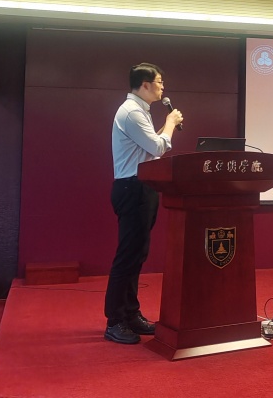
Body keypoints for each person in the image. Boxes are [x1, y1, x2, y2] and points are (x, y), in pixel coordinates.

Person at [103, 63, 183, 344]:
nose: (163, 87)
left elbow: (151, 150)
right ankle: (114, 321)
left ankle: (130, 314)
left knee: (137, 255)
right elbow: (159, 147)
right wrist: (170, 124)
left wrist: (164, 128)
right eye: (159, 82)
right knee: (127, 256)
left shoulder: (141, 111)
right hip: (132, 188)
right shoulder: (132, 112)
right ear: (145, 85)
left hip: (141, 188)